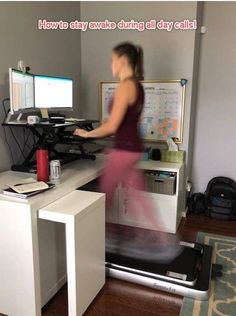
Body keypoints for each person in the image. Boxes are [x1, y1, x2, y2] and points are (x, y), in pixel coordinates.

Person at [74, 42, 182, 262]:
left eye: (113, 59)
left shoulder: (125, 86)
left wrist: (85, 135)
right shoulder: (138, 87)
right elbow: (129, 122)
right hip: (132, 149)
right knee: (138, 196)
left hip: (124, 150)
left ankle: (97, 236)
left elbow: (113, 127)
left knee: (103, 195)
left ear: (122, 61)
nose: (110, 64)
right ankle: (161, 239)